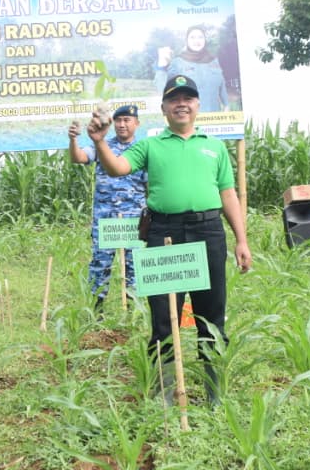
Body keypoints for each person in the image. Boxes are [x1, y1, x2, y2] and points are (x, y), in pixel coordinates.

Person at [87, 73, 252, 405]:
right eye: (175, 99)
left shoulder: (214, 146)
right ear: (163, 108)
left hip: (209, 232)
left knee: (211, 317)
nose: (182, 103)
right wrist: (100, 142)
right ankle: (164, 394)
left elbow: (228, 193)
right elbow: (117, 168)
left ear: (197, 105)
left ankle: (213, 394)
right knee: (164, 317)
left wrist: (241, 240)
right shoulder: (149, 145)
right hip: (164, 234)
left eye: (188, 98)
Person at [67, 104, 147, 311]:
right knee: (100, 264)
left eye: (127, 121)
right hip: (105, 219)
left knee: (134, 266)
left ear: (136, 124)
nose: (122, 125)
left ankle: (133, 311)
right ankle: (96, 312)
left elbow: (151, 186)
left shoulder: (143, 150)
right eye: (118, 121)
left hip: (134, 220)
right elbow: (79, 157)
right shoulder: (102, 146)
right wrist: (73, 139)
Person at [154, 25, 229, 112]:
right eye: (192, 37)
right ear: (187, 41)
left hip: (214, 118)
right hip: (189, 119)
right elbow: (163, 89)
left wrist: (226, 105)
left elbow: (221, 84)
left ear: (205, 40)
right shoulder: (177, 62)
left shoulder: (214, 61)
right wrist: (161, 67)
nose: (197, 41)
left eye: (200, 37)